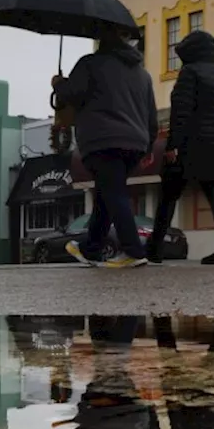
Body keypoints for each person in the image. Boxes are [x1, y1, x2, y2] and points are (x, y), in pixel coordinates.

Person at [51, 27, 157, 269]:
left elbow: (72, 93)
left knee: (113, 193)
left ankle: (132, 249)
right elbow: (151, 115)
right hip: (135, 143)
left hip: (103, 140)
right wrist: (149, 146)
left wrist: (58, 83)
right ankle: (92, 248)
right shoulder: (143, 74)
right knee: (106, 193)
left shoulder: (91, 64)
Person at [146, 29, 214, 265]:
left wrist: (172, 145)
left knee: (168, 196)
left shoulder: (189, 73)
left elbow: (181, 112)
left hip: (191, 145)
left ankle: (154, 248)